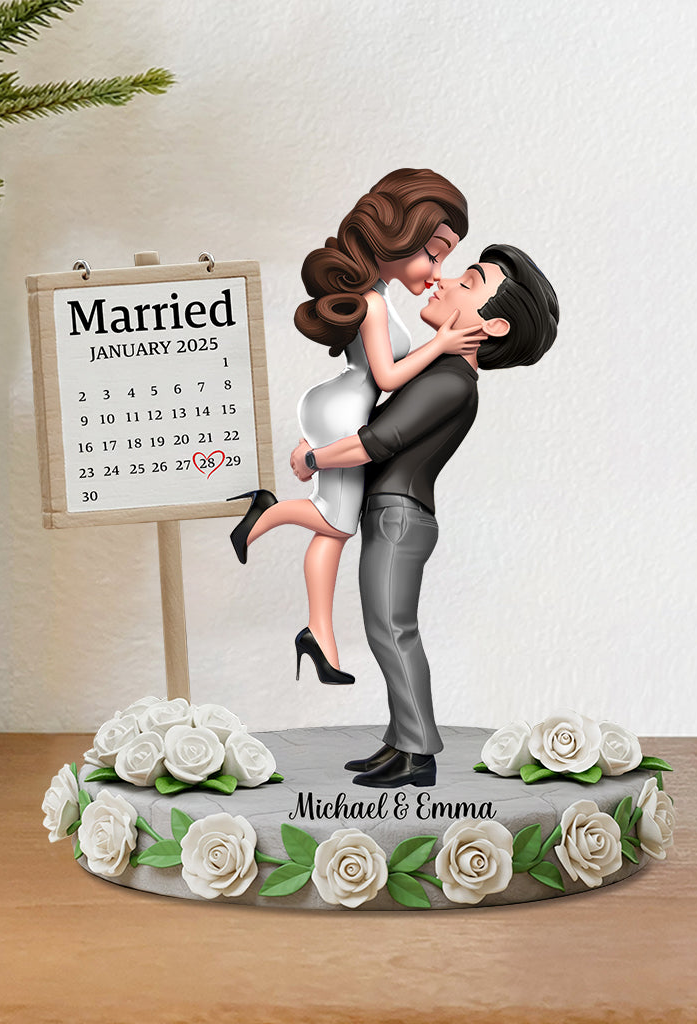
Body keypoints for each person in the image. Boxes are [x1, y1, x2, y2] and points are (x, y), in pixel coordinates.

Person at [291, 244, 559, 787]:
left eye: (470, 281)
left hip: (399, 517)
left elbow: (376, 441)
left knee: (392, 631)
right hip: (392, 515)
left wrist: (314, 459)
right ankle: (400, 741)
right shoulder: (437, 370)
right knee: (386, 629)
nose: (447, 279)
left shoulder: (450, 381)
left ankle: (417, 753)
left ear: (493, 325)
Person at [228, 169, 484, 684]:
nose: (437, 272)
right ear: (399, 237)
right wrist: (441, 344)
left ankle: (319, 637)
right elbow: (386, 377)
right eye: (434, 254)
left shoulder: (378, 296)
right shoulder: (372, 302)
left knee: (333, 531)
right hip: (346, 409)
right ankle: (267, 512)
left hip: (340, 406)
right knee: (336, 523)